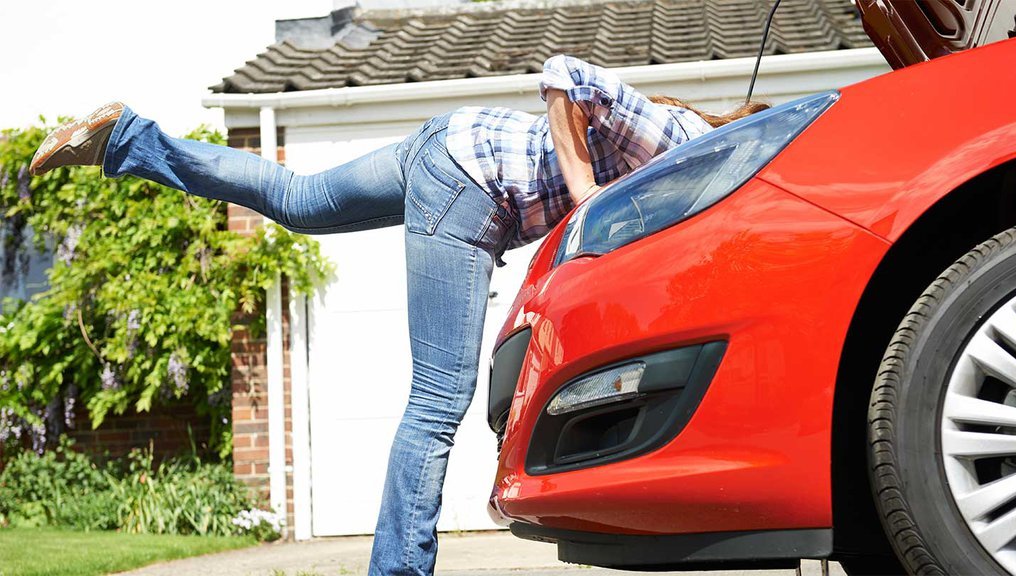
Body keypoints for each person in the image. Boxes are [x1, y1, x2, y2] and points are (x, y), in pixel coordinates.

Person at [30, 54, 768, 576]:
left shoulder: (677, 173)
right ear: (742, 137)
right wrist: (583, 197)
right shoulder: (681, 142)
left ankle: (124, 138)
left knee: (294, 199)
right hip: (473, 186)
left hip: (445, 150)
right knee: (438, 400)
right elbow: (564, 73)